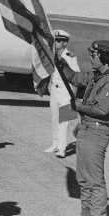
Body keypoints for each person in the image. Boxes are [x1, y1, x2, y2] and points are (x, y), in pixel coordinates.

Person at [58, 40, 109, 216]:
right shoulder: (96, 77)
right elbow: (75, 77)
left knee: (94, 181)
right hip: (86, 129)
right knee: (84, 179)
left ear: (104, 57)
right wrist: (60, 64)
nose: (91, 58)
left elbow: (102, 110)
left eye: (94, 55)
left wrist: (77, 105)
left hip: (96, 131)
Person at [44, 29, 79, 158]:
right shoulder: (53, 55)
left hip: (66, 92)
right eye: (55, 40)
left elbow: (75, 78)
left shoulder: (70, 57)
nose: (56, 43)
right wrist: (49, 84)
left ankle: (62, 148)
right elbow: (53, 72)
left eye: (59, 41)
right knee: (54, 119)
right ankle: (55, 143)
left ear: (65, 43)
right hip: (54, 90)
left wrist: (72, 97)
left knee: (63, 121)